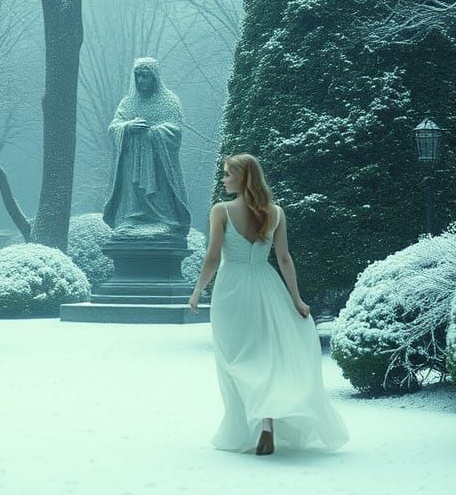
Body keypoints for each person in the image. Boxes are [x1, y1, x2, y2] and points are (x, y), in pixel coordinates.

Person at [189, 153, 349, 456]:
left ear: (243, 177)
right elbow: (285, 259)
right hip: (267, 286)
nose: (223, 179)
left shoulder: (221, 210)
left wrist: (198, 290)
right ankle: (266, 422)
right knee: (266, 355)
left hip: (231, 291)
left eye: (227, 174)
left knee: (236, 360)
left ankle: (246, 425)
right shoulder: (275, 212)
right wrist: (296, 299)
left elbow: (212, 257)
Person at [102, 57, 191, 238]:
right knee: (134, 194)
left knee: (160, 193)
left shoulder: (170, 101)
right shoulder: (127, 103)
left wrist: (154, 134)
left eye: (146, 76)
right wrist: (127, 127)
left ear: (155, 77)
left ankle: (165, 220)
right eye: (138, 76)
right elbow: (113, 127)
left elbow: (175, 130)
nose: (142, 80)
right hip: (132, 162)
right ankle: (133, 218)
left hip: (159, 163)